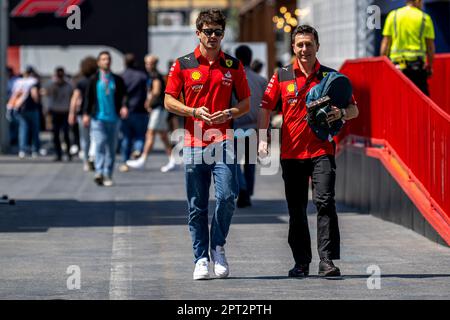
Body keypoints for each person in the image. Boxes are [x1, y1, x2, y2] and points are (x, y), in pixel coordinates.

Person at [258, 25, 359, 278]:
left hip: (321, 150)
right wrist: (263, 138)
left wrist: (342, 114)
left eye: (309, 44)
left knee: (324, 202)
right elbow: (265, 107)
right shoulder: (281, 75)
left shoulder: (330, 77)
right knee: (296, 208)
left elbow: (354, 109)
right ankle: (301, 262)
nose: (304, 49)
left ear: (317, 46)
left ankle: (327, 261)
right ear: (293, 47)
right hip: (291, 154)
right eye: (300, 44)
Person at [164, 9, 250, 280]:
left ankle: (218, 246)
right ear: (198, 33)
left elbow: (246, 103)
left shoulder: (233, 65)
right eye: (208, 31)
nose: (213, 37)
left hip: (224, 140)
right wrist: (192, 111)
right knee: (197, 205)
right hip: (192, 142)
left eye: (218, 32)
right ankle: (200, 258)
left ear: (223, 35)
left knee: (227, 196)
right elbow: (168, 100)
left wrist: (230, 113)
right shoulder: (183, 64)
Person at [83, 51, 128, 187]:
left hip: (114, 118)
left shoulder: (117, 79)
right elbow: (88, 98)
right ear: (98, 62)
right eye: (103, 59)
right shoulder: (93, 80)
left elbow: (124, 96)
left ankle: (108, 174)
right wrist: (85, 114)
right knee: (100, 143)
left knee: (111, 147)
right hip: (98, 118)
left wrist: (124, 106)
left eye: (108, 59)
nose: (106, 61)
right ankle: (99, 172)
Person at [126, 54, 176, 172]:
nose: (148, 65)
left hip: (158, 108)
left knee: (150, 133)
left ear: (154, 64)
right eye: (146, 63)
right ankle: (173, 160)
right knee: (163, 136)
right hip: (159, 109)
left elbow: (156, 91)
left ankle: (143, 160)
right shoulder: (153, 75)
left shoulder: (155, 76)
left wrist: (148, 102)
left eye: (150, 63)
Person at [233, 45, 267, 208]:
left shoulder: (231, 79)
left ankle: (243, 190)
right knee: (250, 161)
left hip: (235, 126)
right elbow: (266, 108)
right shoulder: (261, 80)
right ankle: (248, 191)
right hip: (254, 127)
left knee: (233, 161)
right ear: (250, 59)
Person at [380, 0, 435, 96]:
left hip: (396, 68)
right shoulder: (424, 18)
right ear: (417, 1)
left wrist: (383, 64)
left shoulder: (393, 15)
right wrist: (429, 66)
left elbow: (385, 43)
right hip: (417, 69)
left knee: (397, 99)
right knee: (422, 101)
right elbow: (430, 47)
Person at [118, 53, 149, 172]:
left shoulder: (121, 76)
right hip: (140, 109)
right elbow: (148, 91)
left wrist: (122, 106)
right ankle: (137, 150)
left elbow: (120, 94)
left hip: (126, 110)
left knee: (126, 137)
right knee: (140, 135)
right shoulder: (142, 76)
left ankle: (125, 162)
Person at [69, 56, 98, 171]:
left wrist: (71, 113)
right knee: (96, 136)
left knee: (84, 139)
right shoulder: (97, 81)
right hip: (96, 112)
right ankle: (93, 156)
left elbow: (75, 98)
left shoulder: (81, 82)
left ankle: (86, 161)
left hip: (82, 113)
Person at [7, 66, 41, 159]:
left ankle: (22, 149)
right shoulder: (33, 81)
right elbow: (35, 95)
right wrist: (38, 102)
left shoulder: (18, 82)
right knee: (35, 130)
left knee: (23, 129)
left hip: (20, 108)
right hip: (32, 108)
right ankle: (35, 150)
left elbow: (13, 94)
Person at [45, 67, 73, 162]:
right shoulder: (51, 84)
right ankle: (58, 154)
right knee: (55, 134)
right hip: (55, 111)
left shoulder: (68, 85)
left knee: (66, 133)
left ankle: (68, 153)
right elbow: (46, 93)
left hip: (65, 111)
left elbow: (72, 96)